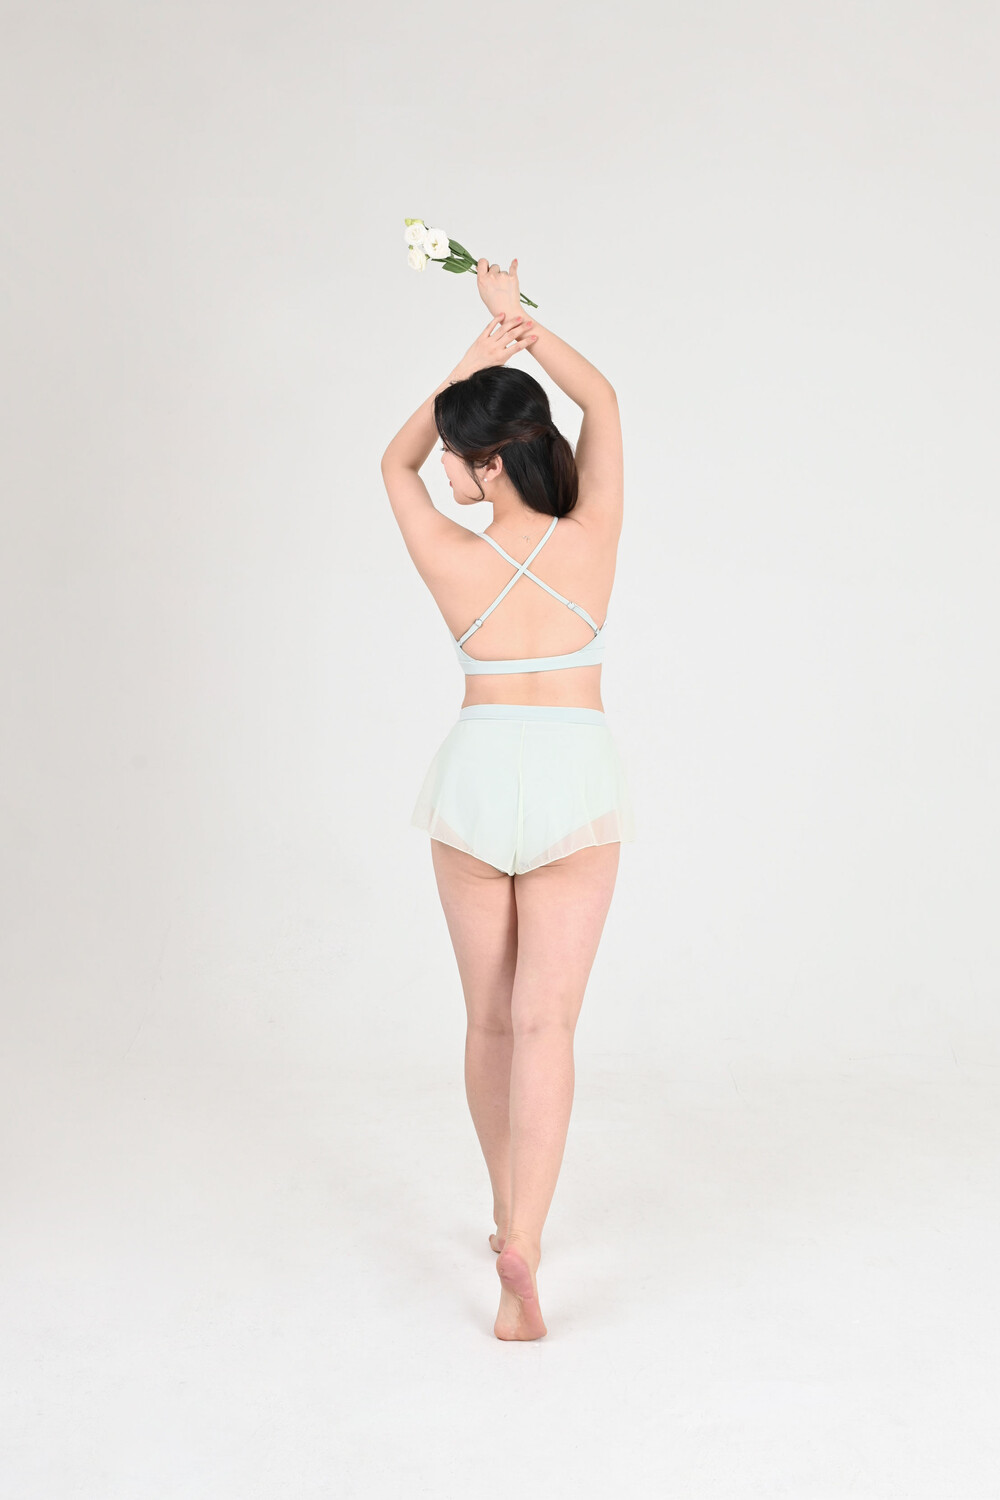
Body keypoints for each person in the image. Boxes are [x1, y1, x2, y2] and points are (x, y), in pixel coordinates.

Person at [379, 257, 635, 1340]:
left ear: (486, 460)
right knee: (547, 1023)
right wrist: (516, 323)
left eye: (458, 451)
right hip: (574, 775)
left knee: (489, 1019)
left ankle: (499, 1214)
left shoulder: (450, 556)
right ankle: (525, 1231)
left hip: (478, 774)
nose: (441, 463)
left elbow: (389, 461)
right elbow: (601, 399)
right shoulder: (591, 539)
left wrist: (467, 358)